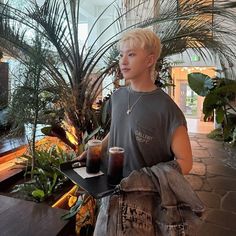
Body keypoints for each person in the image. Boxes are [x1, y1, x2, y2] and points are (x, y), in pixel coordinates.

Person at [78, 28, 197, 235]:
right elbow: (117, 128)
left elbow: (186, 162)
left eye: (131, 54)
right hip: (109, 190)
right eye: (121, 54)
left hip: (143, 203)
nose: (123, 61)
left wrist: (144, 177)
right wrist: (95, 150)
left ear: (150, 60)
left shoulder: (167, 109)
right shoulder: (117, 96)